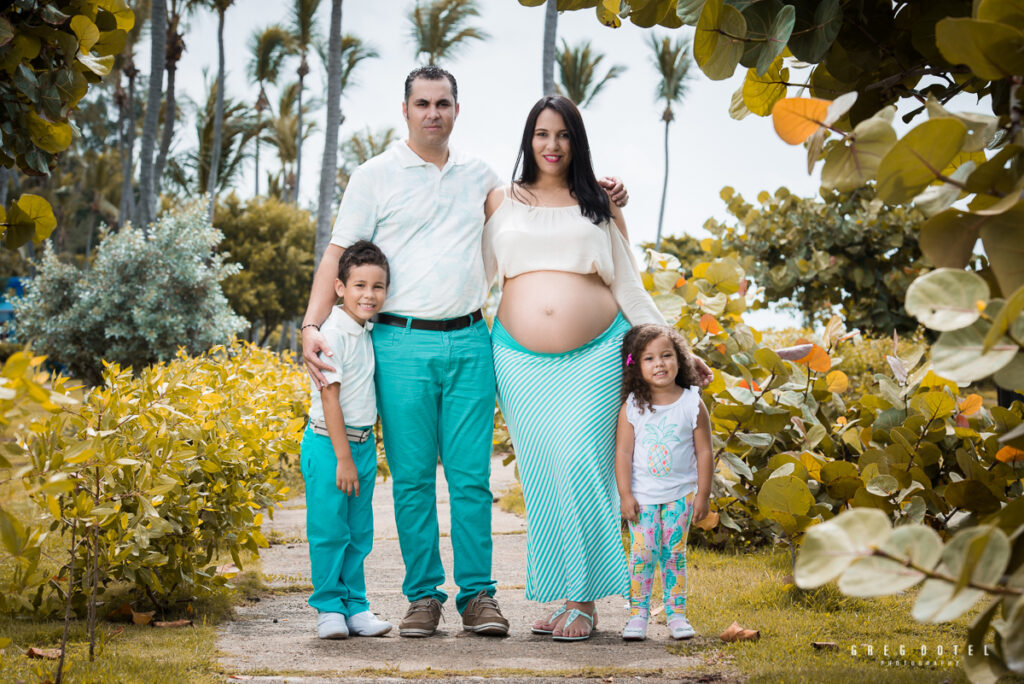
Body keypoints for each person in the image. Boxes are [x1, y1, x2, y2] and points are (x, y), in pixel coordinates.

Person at [300, 66, 630, 638]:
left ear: (457, 109)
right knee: (410, 480)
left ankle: (478, 597)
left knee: (471, 480)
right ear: (405, 110)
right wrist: (310, 323)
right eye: (423, 103)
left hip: (472, 340)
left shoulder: (483, 179)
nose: (434, 112)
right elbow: (336, 254)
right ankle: (423, 597)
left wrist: (605, 190)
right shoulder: (373, 176)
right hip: (400, 343)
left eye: (444, 103)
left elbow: (547, 204)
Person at [482, 95, 713, 641]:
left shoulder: (600, 203)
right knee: (543, 474)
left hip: (595, 354)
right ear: (527, 139)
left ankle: (585, 603)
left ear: (577, 142)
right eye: (542, 134)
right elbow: (479, 279)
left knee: (583, 462)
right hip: (518, 359)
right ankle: (563, 594)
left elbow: (627, 283)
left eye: (563, 135)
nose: (552, 145)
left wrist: (677, 348)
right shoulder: (499, 200)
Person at [300, 240, 393, 640]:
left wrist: (358, 453)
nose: (369, 295)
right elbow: (330, 398)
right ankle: (328, 608)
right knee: (328, 530)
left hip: (361, 445)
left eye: (377, 286)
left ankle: (356, 606)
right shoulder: (333, 333)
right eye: (359, 285)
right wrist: (343, 458)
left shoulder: (365, 329)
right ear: (339, 288)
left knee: (359, 531)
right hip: (329, 446)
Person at [614, 324, 713, 641]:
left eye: (667, 356)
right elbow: (623, 453)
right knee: (642, 556)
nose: (659, 364)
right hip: (643, 498)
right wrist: (625, 495)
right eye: (649, 358)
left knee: (673, 554)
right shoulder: (632, 407)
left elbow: (705, 451)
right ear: (636, 366)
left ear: (680, 360)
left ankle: (677, 615)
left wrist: (703, 496)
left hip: (680, 497)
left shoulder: (691, 402)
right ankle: (638, 614)